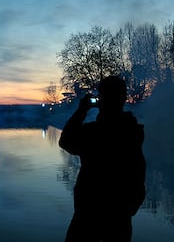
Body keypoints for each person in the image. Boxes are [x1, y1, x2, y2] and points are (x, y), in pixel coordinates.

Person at [59, 75, 146, 242]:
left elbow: (65, 141)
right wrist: (132, 205)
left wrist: (81, 111)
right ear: (123, 99)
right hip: (120, 213)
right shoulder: (132, 132)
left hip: (88, 212)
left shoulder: (94, 133)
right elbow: (138, 170)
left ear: (102, 100)